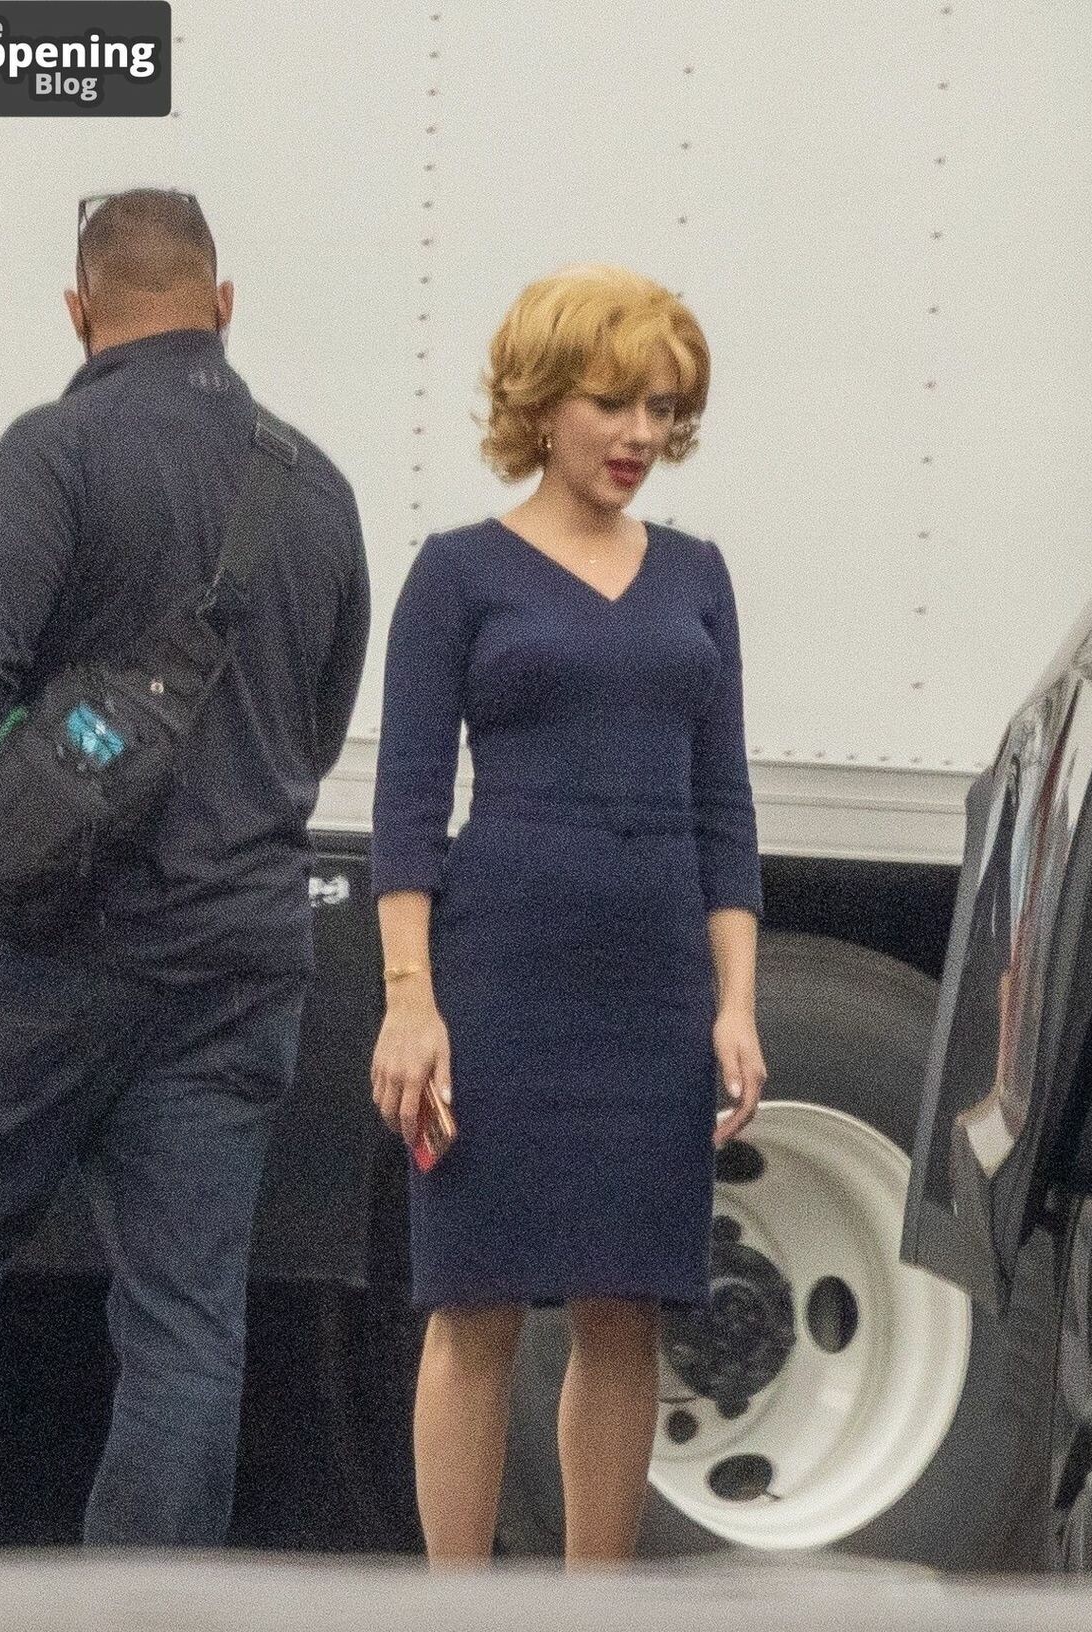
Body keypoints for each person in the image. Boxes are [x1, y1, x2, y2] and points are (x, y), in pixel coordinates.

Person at [0, 188, 370, 1549]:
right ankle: (143, 1624)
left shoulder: (54, 452)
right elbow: (318, 722)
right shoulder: (317, 487)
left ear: (79, 311)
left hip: (54, 945)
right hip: (241, 957)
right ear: (222, 304)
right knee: (186, 1311)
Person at [369, 264, 765, 1566]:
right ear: (540, 403)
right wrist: (411, 1001)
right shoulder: (457, 574)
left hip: (652, 988)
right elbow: (408, 806)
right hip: (497, 979)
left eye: (663, 407)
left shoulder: (697, 576)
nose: (641, 433)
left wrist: (736, 1005)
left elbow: (724, 810)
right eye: (612, 401)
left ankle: (595, 1630)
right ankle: (459, 1624)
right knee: (474, 1305)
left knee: (626, 1309)